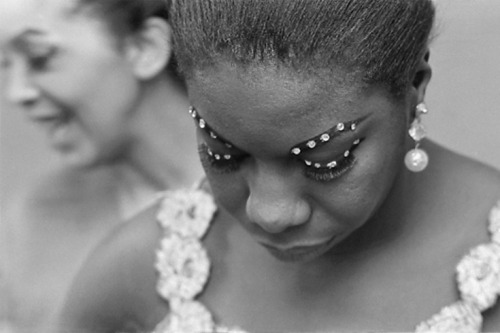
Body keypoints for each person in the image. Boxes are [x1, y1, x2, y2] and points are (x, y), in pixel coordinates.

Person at [58, 0, 500, 332]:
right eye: (223, 154)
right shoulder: (149, 267)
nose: (268, 212)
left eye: (327, 160)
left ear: (415, 88)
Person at [0, 0, 202, 331]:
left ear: (144, 47)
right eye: (5, 64)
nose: (15, 92)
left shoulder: (274, 204)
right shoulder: (32, 221)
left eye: (40, 58)